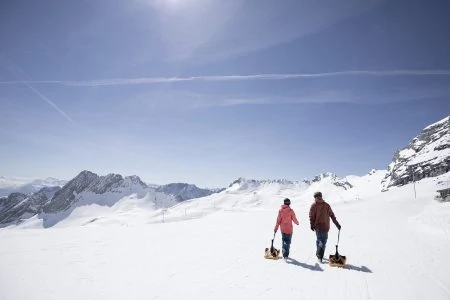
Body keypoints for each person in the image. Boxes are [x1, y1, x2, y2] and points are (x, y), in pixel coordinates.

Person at [309, 191, 341, 262]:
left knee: (320, 240)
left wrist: (312, 224)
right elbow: (332, 215)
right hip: (325, 227)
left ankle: (319, 254)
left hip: (318, 227)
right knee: (323, 241)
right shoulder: (326, 205)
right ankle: (320, 255)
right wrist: (337, 224)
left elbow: (311, 216)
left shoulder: (314, 205)